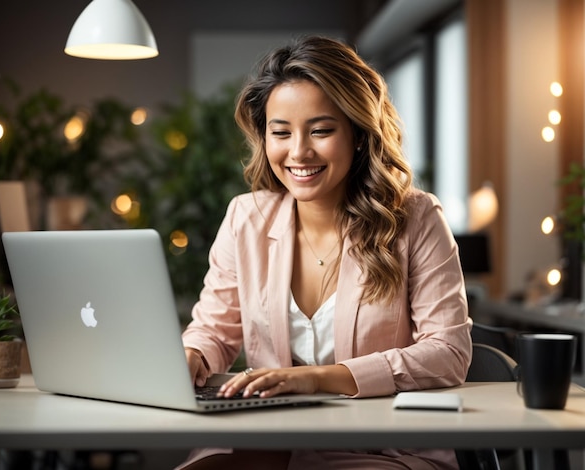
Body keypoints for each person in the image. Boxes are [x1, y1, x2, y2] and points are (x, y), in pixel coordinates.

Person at [177, 35, 472, 470]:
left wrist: (316, 379)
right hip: (268, 443)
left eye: (321, 130)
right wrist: (193, 356)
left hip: (383, 448)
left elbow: (448, 352)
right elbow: (214, 331)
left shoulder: (415, 218)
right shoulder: (246, 218)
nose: (298, 152)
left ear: (357, 134)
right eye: (281, 132)